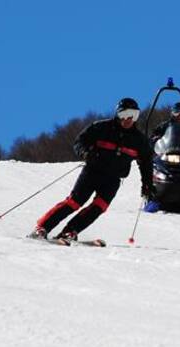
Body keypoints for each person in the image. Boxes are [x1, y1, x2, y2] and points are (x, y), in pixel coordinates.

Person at [28, 97, 154, 242]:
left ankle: (69, 232)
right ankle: (42, 228)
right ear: (118, 115)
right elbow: (80, 141)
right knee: (75, 202)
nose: (129, 119)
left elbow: (146, 162)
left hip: (113, 178)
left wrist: (147, 184)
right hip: (93, 172)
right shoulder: (101, 128)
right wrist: (86, 153)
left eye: (134, 114)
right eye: (125, 114)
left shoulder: (139, 140)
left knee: (99, 207)